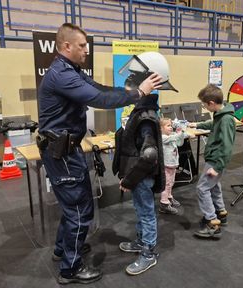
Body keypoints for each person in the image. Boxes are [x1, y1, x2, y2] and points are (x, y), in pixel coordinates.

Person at [37, 23, 162, 285]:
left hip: (65, 150)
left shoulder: (71, 70)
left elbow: (102, 89)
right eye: (82, 46)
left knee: (73, 206)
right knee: (80, 209)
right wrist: (139, 93)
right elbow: (100, 100)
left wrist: (130, 92)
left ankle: (63, 249)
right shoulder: (62, 75)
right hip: (63, 153)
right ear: (66, 46)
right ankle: (70, 269)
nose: (86, 50)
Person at [112, 51, 177, 275]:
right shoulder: (142, 111)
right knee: (141, 211)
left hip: (140, 177)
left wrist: (129, 180)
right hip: (137, 177)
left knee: (147, 214)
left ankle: (148, 253)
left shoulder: (146, 116)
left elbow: (149, 156)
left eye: (134, 76)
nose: (129, 81)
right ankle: (141, 242)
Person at [189, 84, 236, 239]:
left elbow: (227, 146)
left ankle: (212, 223)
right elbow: (213, 125)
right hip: (214, 158)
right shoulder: (220, 114)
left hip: (216, 160)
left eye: (204, 104)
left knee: (202, 189)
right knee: (214, 186)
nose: (203, 106)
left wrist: (217, 166)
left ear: (211, 103)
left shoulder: (226, 119)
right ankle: (221, 213)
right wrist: (197, 124)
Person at [159, 118, 185, 215]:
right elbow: (175, 138)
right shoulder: (163, 137)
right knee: (166, 184)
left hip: (173, 164)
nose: (171, 127)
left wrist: (181, 133)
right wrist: (181, 132)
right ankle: (164, 204)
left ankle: (169, 197)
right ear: (161, 128)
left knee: (171, 182)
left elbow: (180, 142)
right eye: (168, 126)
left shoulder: (171, 135)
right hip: (166, 165)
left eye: (171, 125)